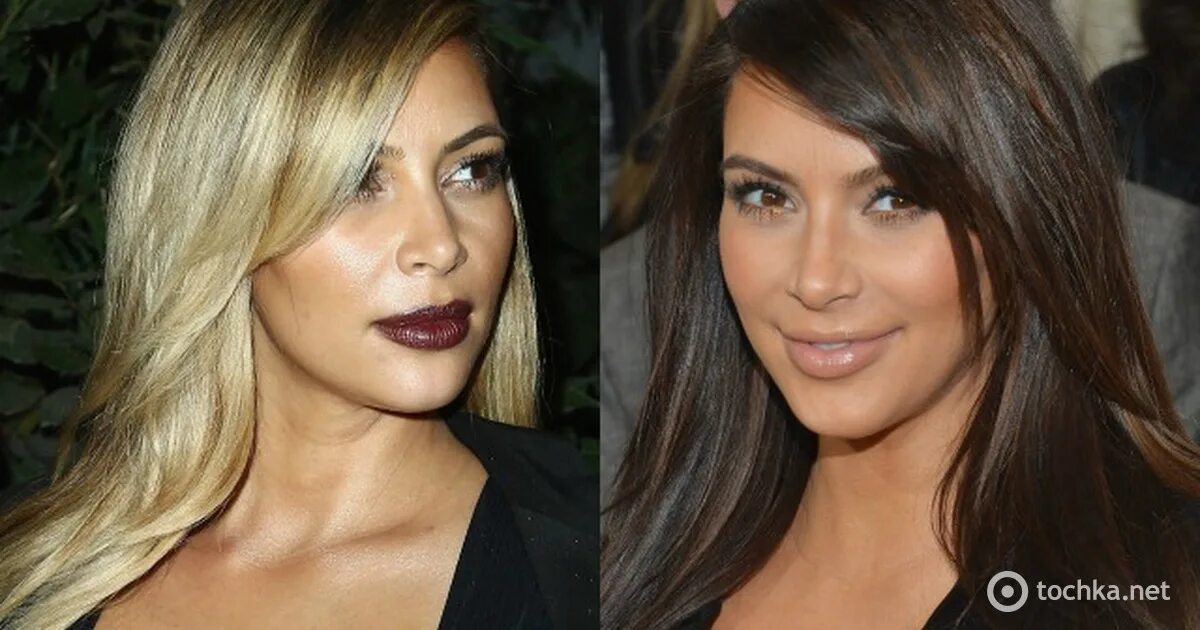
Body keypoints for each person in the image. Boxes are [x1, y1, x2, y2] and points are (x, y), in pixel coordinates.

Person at [601, 0, 1200, 628]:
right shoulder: (639, 566)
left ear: (1021, 207)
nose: (816, 280)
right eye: (766, 196)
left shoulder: (1157, 589)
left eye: (893, 200)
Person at [0, 1, 596, 629]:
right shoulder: (31, 563)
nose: (441, 244)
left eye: (471, 170)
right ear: (218, 215)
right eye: (356, 181)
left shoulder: (584, 561)